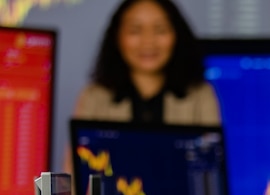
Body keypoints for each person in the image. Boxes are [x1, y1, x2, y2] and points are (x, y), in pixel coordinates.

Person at [70, 0, 220, 129]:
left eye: (160, 30)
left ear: (177, 36)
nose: (148, 41)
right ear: (117, 37)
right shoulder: (94, 98)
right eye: (135, 31)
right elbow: (77, 161)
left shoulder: (201, 96)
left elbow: (211, 160)